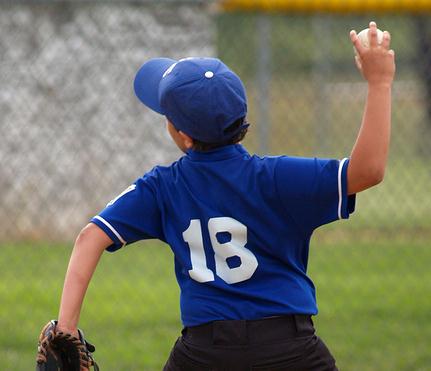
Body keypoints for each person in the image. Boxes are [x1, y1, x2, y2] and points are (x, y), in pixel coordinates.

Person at [55, 21, 395, 370]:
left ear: (183, 135)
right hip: (290, 349)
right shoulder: (277, 178)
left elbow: (89, 238)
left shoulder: (162, 187)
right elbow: (368, 170)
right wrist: (380, 83)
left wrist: (65, 330)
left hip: (204, 354)